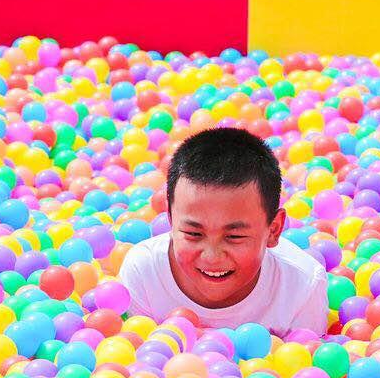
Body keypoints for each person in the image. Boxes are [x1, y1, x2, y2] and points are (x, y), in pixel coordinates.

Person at [118, 128, 328, 333]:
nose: (211, 256)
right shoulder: (144, 273)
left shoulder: (301, 288)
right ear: (171, 220)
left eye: (234, 237)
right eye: (193, 234)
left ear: (273, 230)